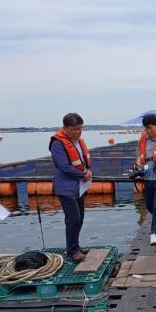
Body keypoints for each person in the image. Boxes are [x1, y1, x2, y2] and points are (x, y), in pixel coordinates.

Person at [49, 112, 93, 263]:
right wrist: (82, 175)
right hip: (66, 188)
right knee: (73, 218)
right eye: (74, 129)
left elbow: (82, 161)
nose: (77, 132)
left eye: (80, 129)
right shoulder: (57, 144)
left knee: (80, 217)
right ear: (65, 128)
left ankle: (76, 246)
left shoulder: (78, 142)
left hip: (79, 187)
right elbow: (63, 166)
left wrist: (87, 171)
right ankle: (72, 251)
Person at [136, 114, 156, 245]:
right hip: (148, 177)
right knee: (148, 205)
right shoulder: (143, 140)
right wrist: (138, 167)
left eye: (150, 128)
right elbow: (139, 156)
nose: (148, 131)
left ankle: (154, 233)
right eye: (145, 128)